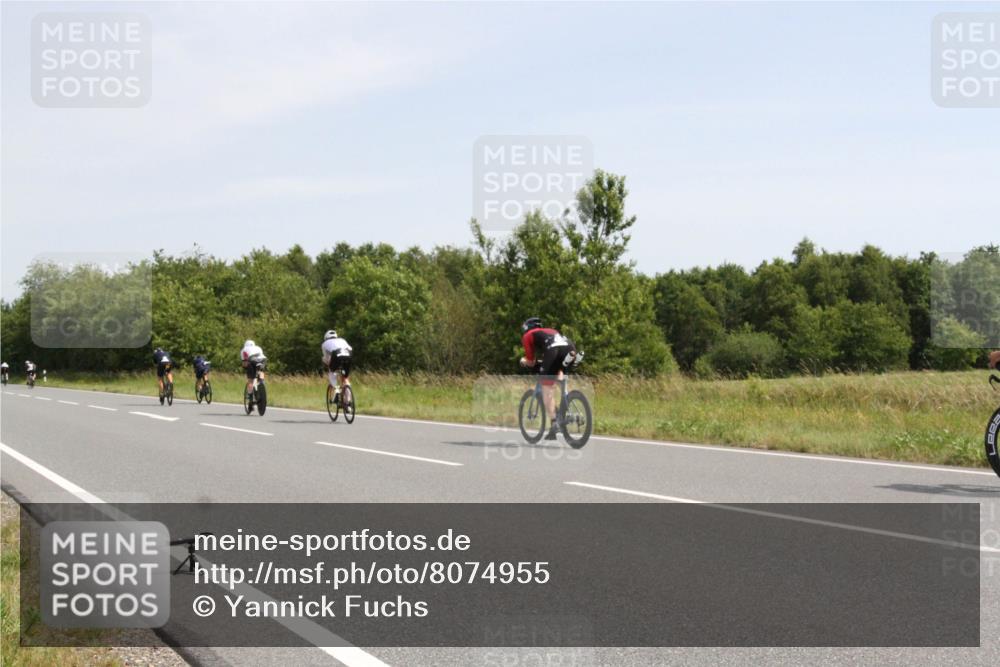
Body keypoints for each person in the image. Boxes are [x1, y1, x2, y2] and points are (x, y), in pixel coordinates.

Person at [518, 317, 579, 440]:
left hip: (554, 350)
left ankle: (555, 422)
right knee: (559, 371)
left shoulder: (528, 335)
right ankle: (566, 401)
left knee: (547, 389)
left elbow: (530, 361)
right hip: (570, 348)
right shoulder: (550, 331)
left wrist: (523, 360)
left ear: (527, 327)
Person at [321, 329, 353, 403]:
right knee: (345, 378)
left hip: (336, 355)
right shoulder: (342, 340)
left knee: (332, 372)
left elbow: (326, 358)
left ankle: (336, 391)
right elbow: (350, 348)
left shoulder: (324, 344)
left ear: (326, 338)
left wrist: (328, 365)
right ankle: (348, 402)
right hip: (348, 355)